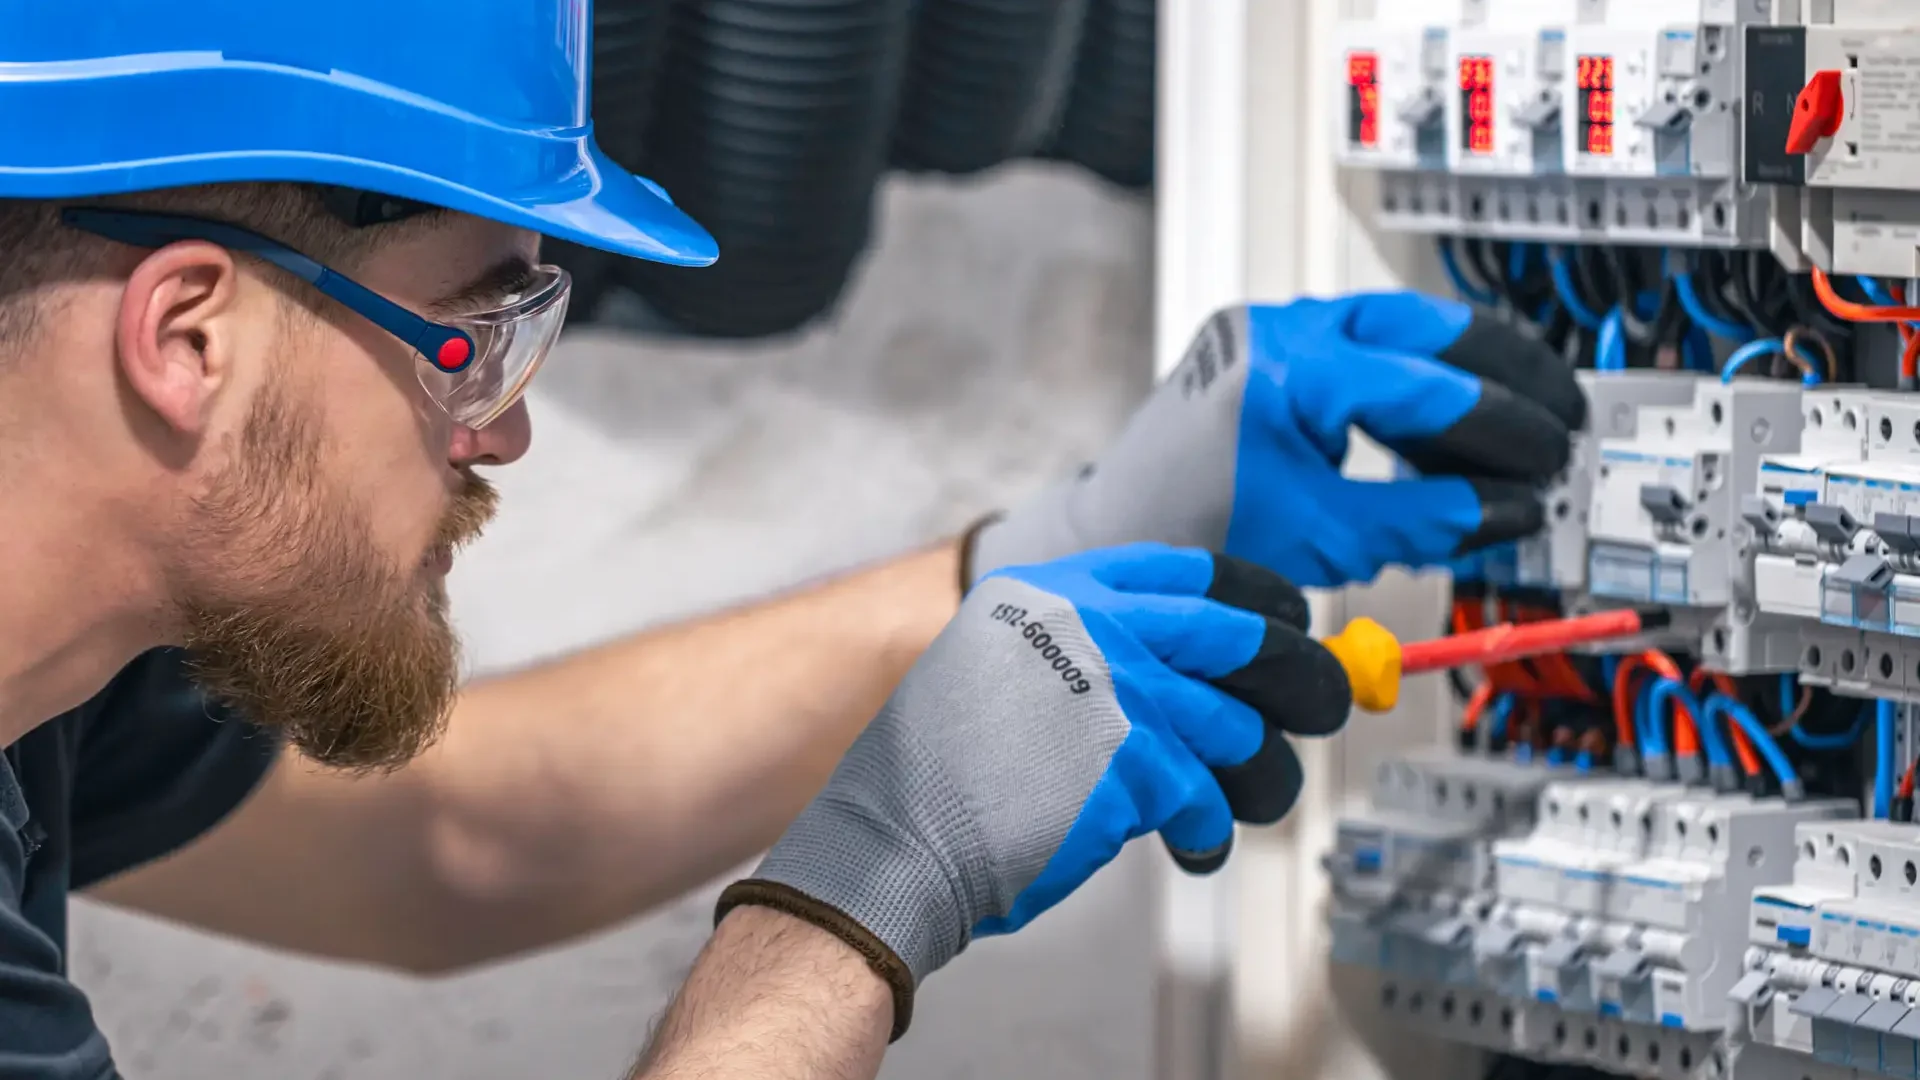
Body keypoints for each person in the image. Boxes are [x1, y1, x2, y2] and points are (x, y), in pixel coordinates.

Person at [0, 3, 1583, 1077]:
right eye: (466, 333)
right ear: (186, 337)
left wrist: (1047, 547)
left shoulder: (50, 676)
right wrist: (854, 906)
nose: (501, 430)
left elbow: (458, 838)